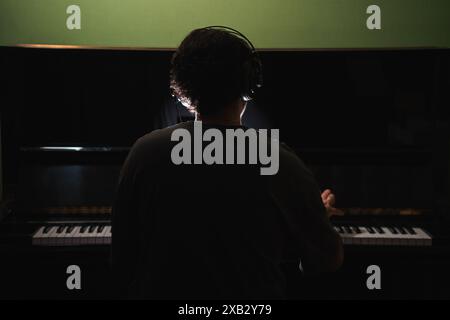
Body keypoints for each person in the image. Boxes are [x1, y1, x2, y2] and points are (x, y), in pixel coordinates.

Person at [111, 26, 343, 299]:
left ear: (182, 91)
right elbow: (327, 260)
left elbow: (122, 261)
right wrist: (317, 216)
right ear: (249, 86)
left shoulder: (143, 152)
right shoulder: (279, 160)